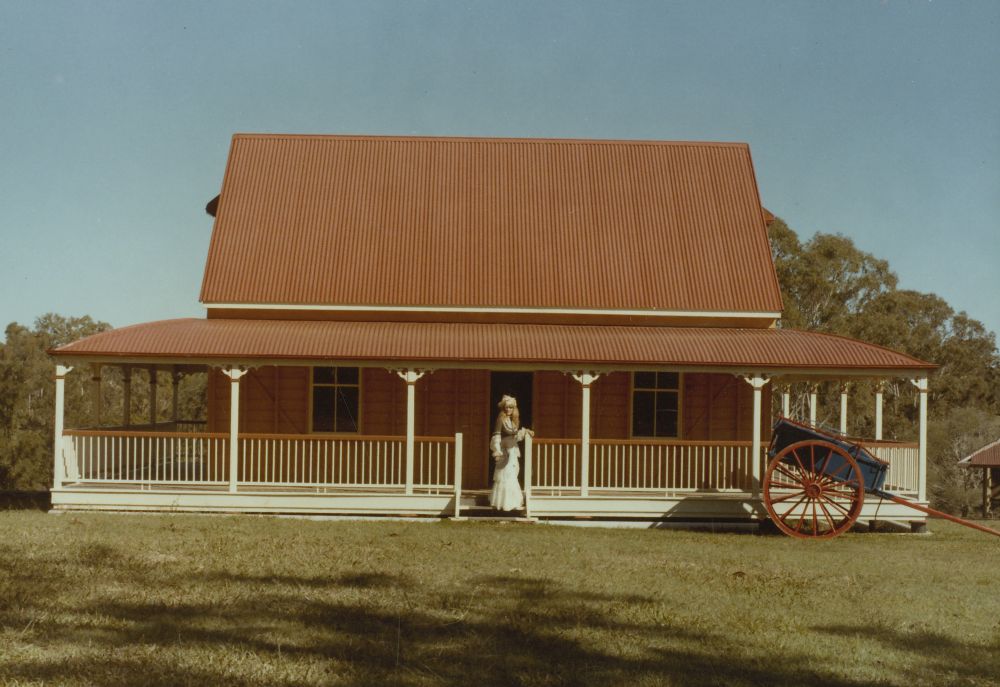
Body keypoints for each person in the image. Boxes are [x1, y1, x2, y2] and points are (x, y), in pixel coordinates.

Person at [489, 395, 534, 511]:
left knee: (512, 476)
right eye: (507, 407)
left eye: (511, 407)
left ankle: (512, 502)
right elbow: (496, 436)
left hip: (513, 451)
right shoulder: (501, 419)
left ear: (514, 408)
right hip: (505, 452)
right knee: (505, 476)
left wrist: (525, 432)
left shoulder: (513, 421)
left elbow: (515, 437)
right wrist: (497, 451)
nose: (508, 409)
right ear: (503, 408)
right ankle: (503, 503)